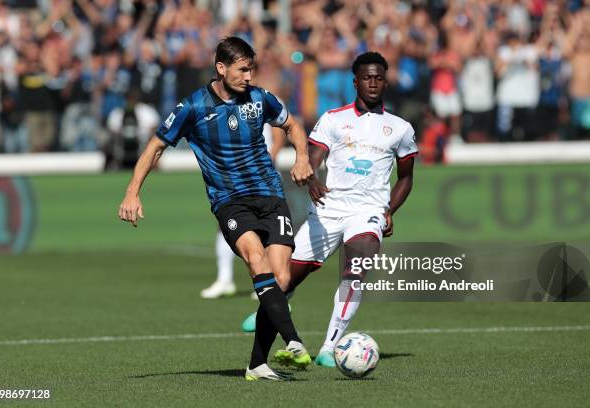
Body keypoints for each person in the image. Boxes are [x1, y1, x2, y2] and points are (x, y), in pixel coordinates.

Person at [118, 36, 313, 381]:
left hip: (270, 195)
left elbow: (293, 125)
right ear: (221, 69)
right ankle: (294, 341)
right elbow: (156, 146)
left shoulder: (260, 98)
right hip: (230, 201)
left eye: (251, 69)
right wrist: (132, 192)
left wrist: (301, 157)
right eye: (242, 70)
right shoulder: (192, 107)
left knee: (280, 279)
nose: (249, 76)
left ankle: (257, 364)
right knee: (257, 260)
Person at [240, 52, 417, 368]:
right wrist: (312, 181)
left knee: (355, 270)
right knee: (285, 279)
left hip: (368, 212)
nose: (373, 83)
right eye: (367, 77)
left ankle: (330, 346)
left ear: (386, 82)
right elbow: (313, 158)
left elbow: (406, 177)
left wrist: (389, 210)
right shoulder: (334, 120)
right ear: (356, 82)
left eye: (379, 78)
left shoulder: (400, 128)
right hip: (327, 210)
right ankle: (275, 305)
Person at [200, 124, 286, 299]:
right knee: (224, 224)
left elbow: (279, 138)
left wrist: (264, 164)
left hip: (263, 179)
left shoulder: (265, 101)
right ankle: (225, 279)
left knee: (267, 229)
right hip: (237, 179)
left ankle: (269, 282)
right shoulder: (229, 108)